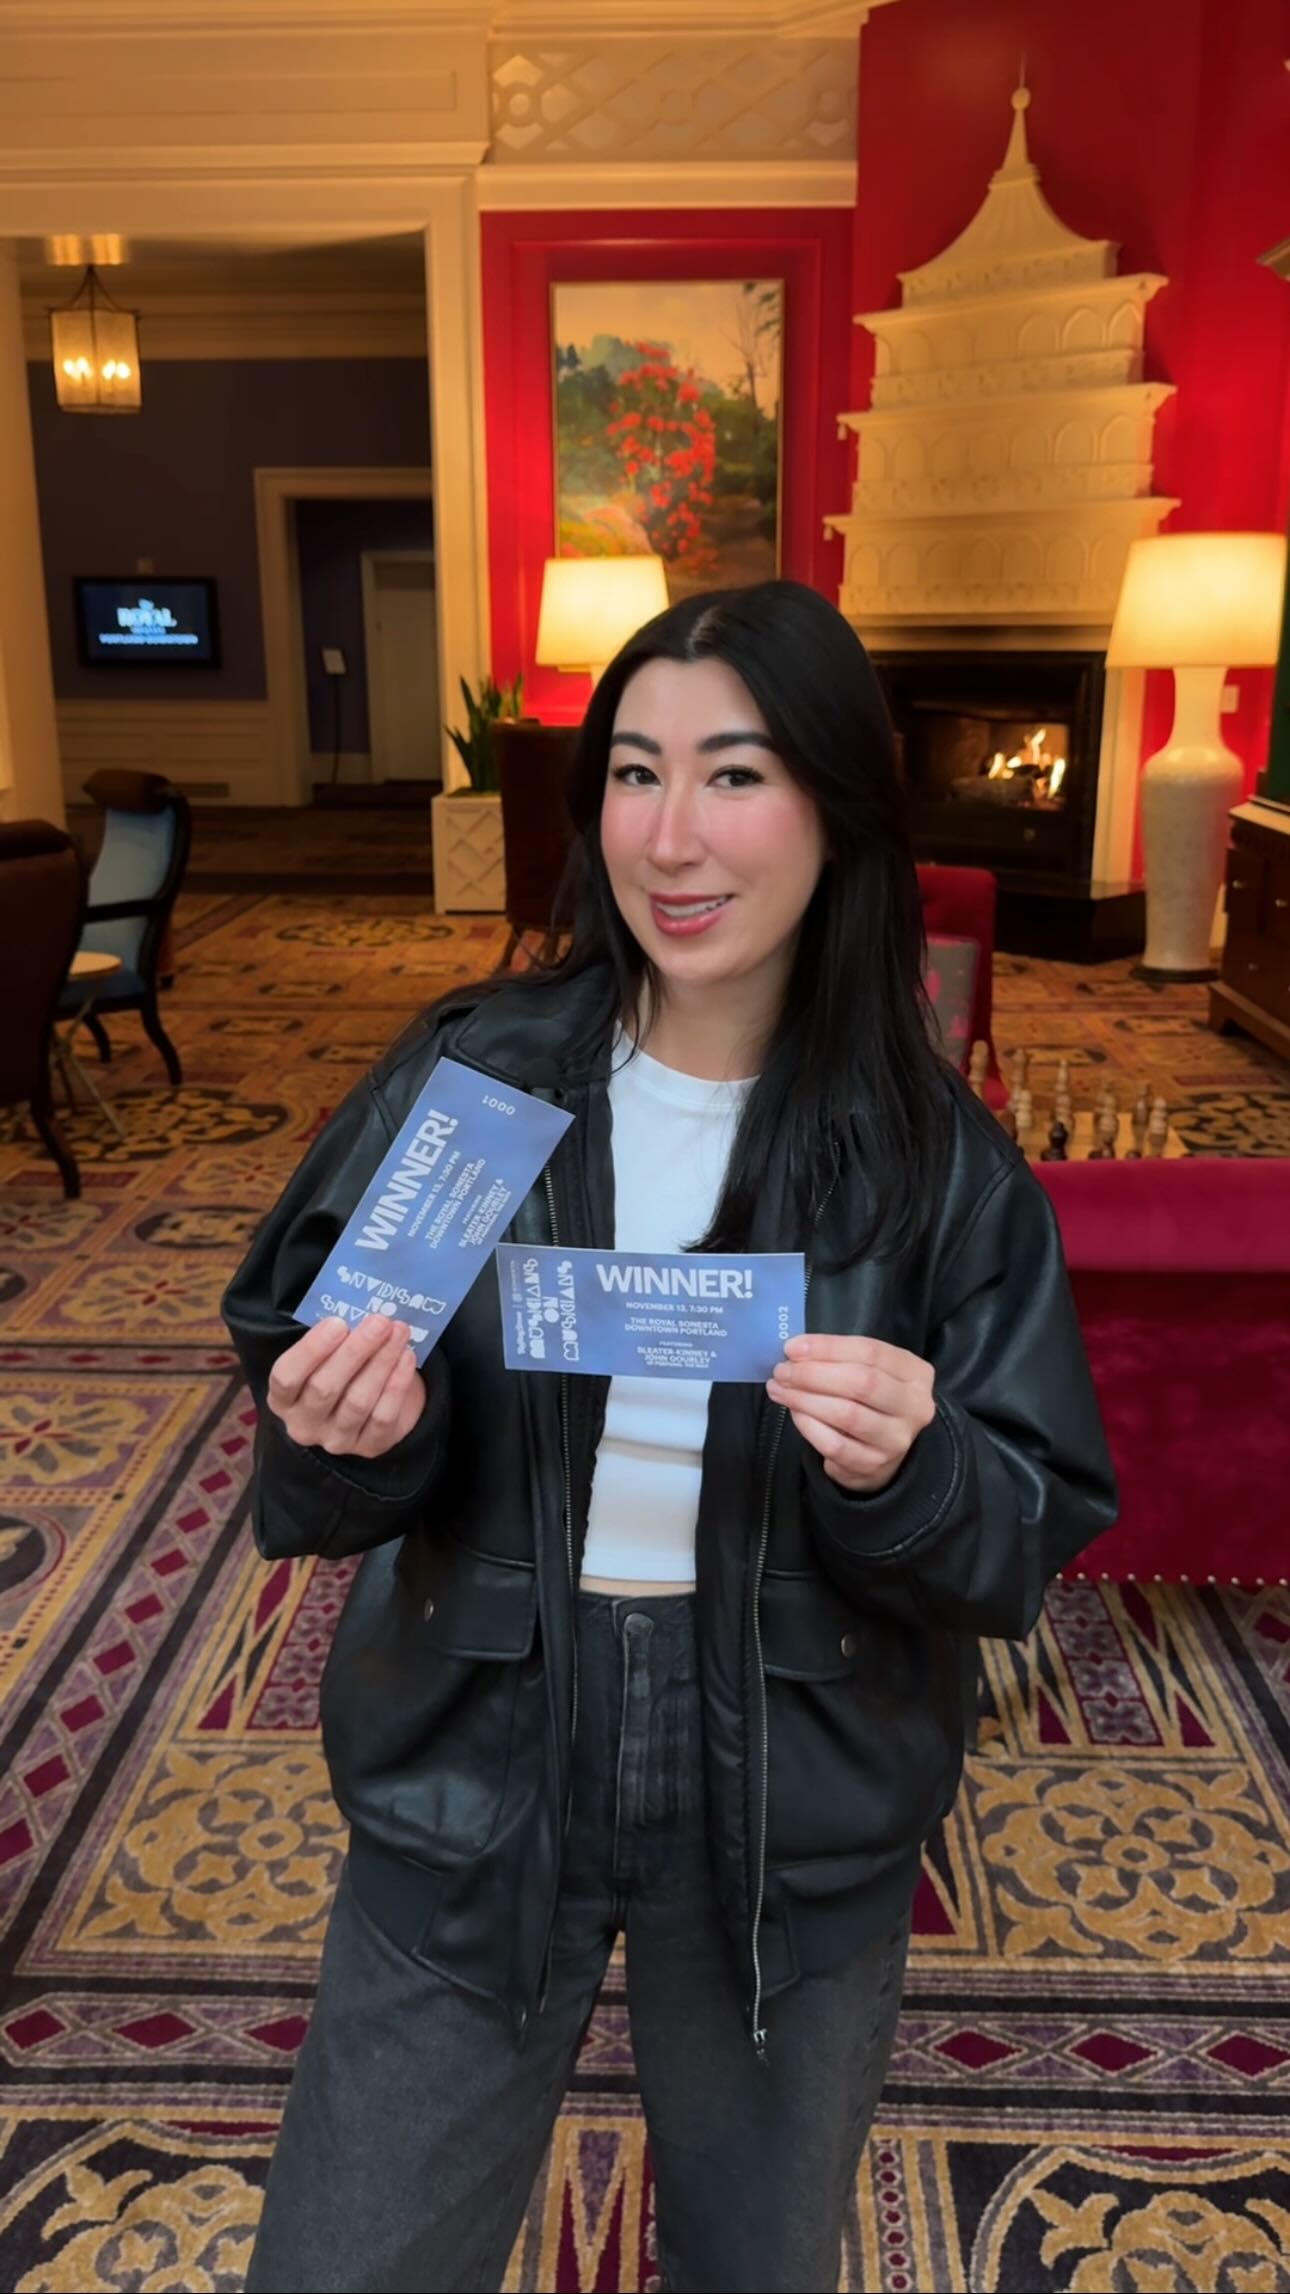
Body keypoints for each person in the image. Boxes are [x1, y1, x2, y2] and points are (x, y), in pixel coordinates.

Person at [222, 578, 1116, 2294]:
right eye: (635, 772)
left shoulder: (932, 1163)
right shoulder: (476, 1085)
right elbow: (308, 1422)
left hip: (791, 1785)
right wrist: (350, 1436)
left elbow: (1022, 1528)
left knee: (759, 2261)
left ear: (837, 808)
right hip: (479, 1744)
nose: (671, 835)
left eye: (734, 773)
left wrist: (915, 1466)